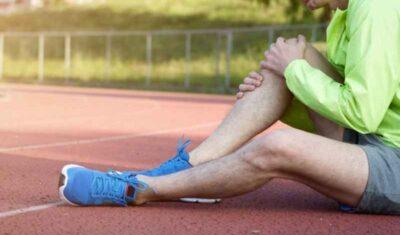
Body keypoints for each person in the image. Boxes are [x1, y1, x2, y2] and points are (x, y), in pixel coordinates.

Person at [58, 0, 400, 214]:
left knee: (276, 146)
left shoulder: (375, 7)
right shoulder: (344, 12)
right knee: (291, 57)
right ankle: (189, 166)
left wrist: (295, 74)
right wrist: (285, 86)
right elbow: (356, 106)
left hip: (393, 161)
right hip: (371, 139)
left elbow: (362, 112)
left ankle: (142, 189)